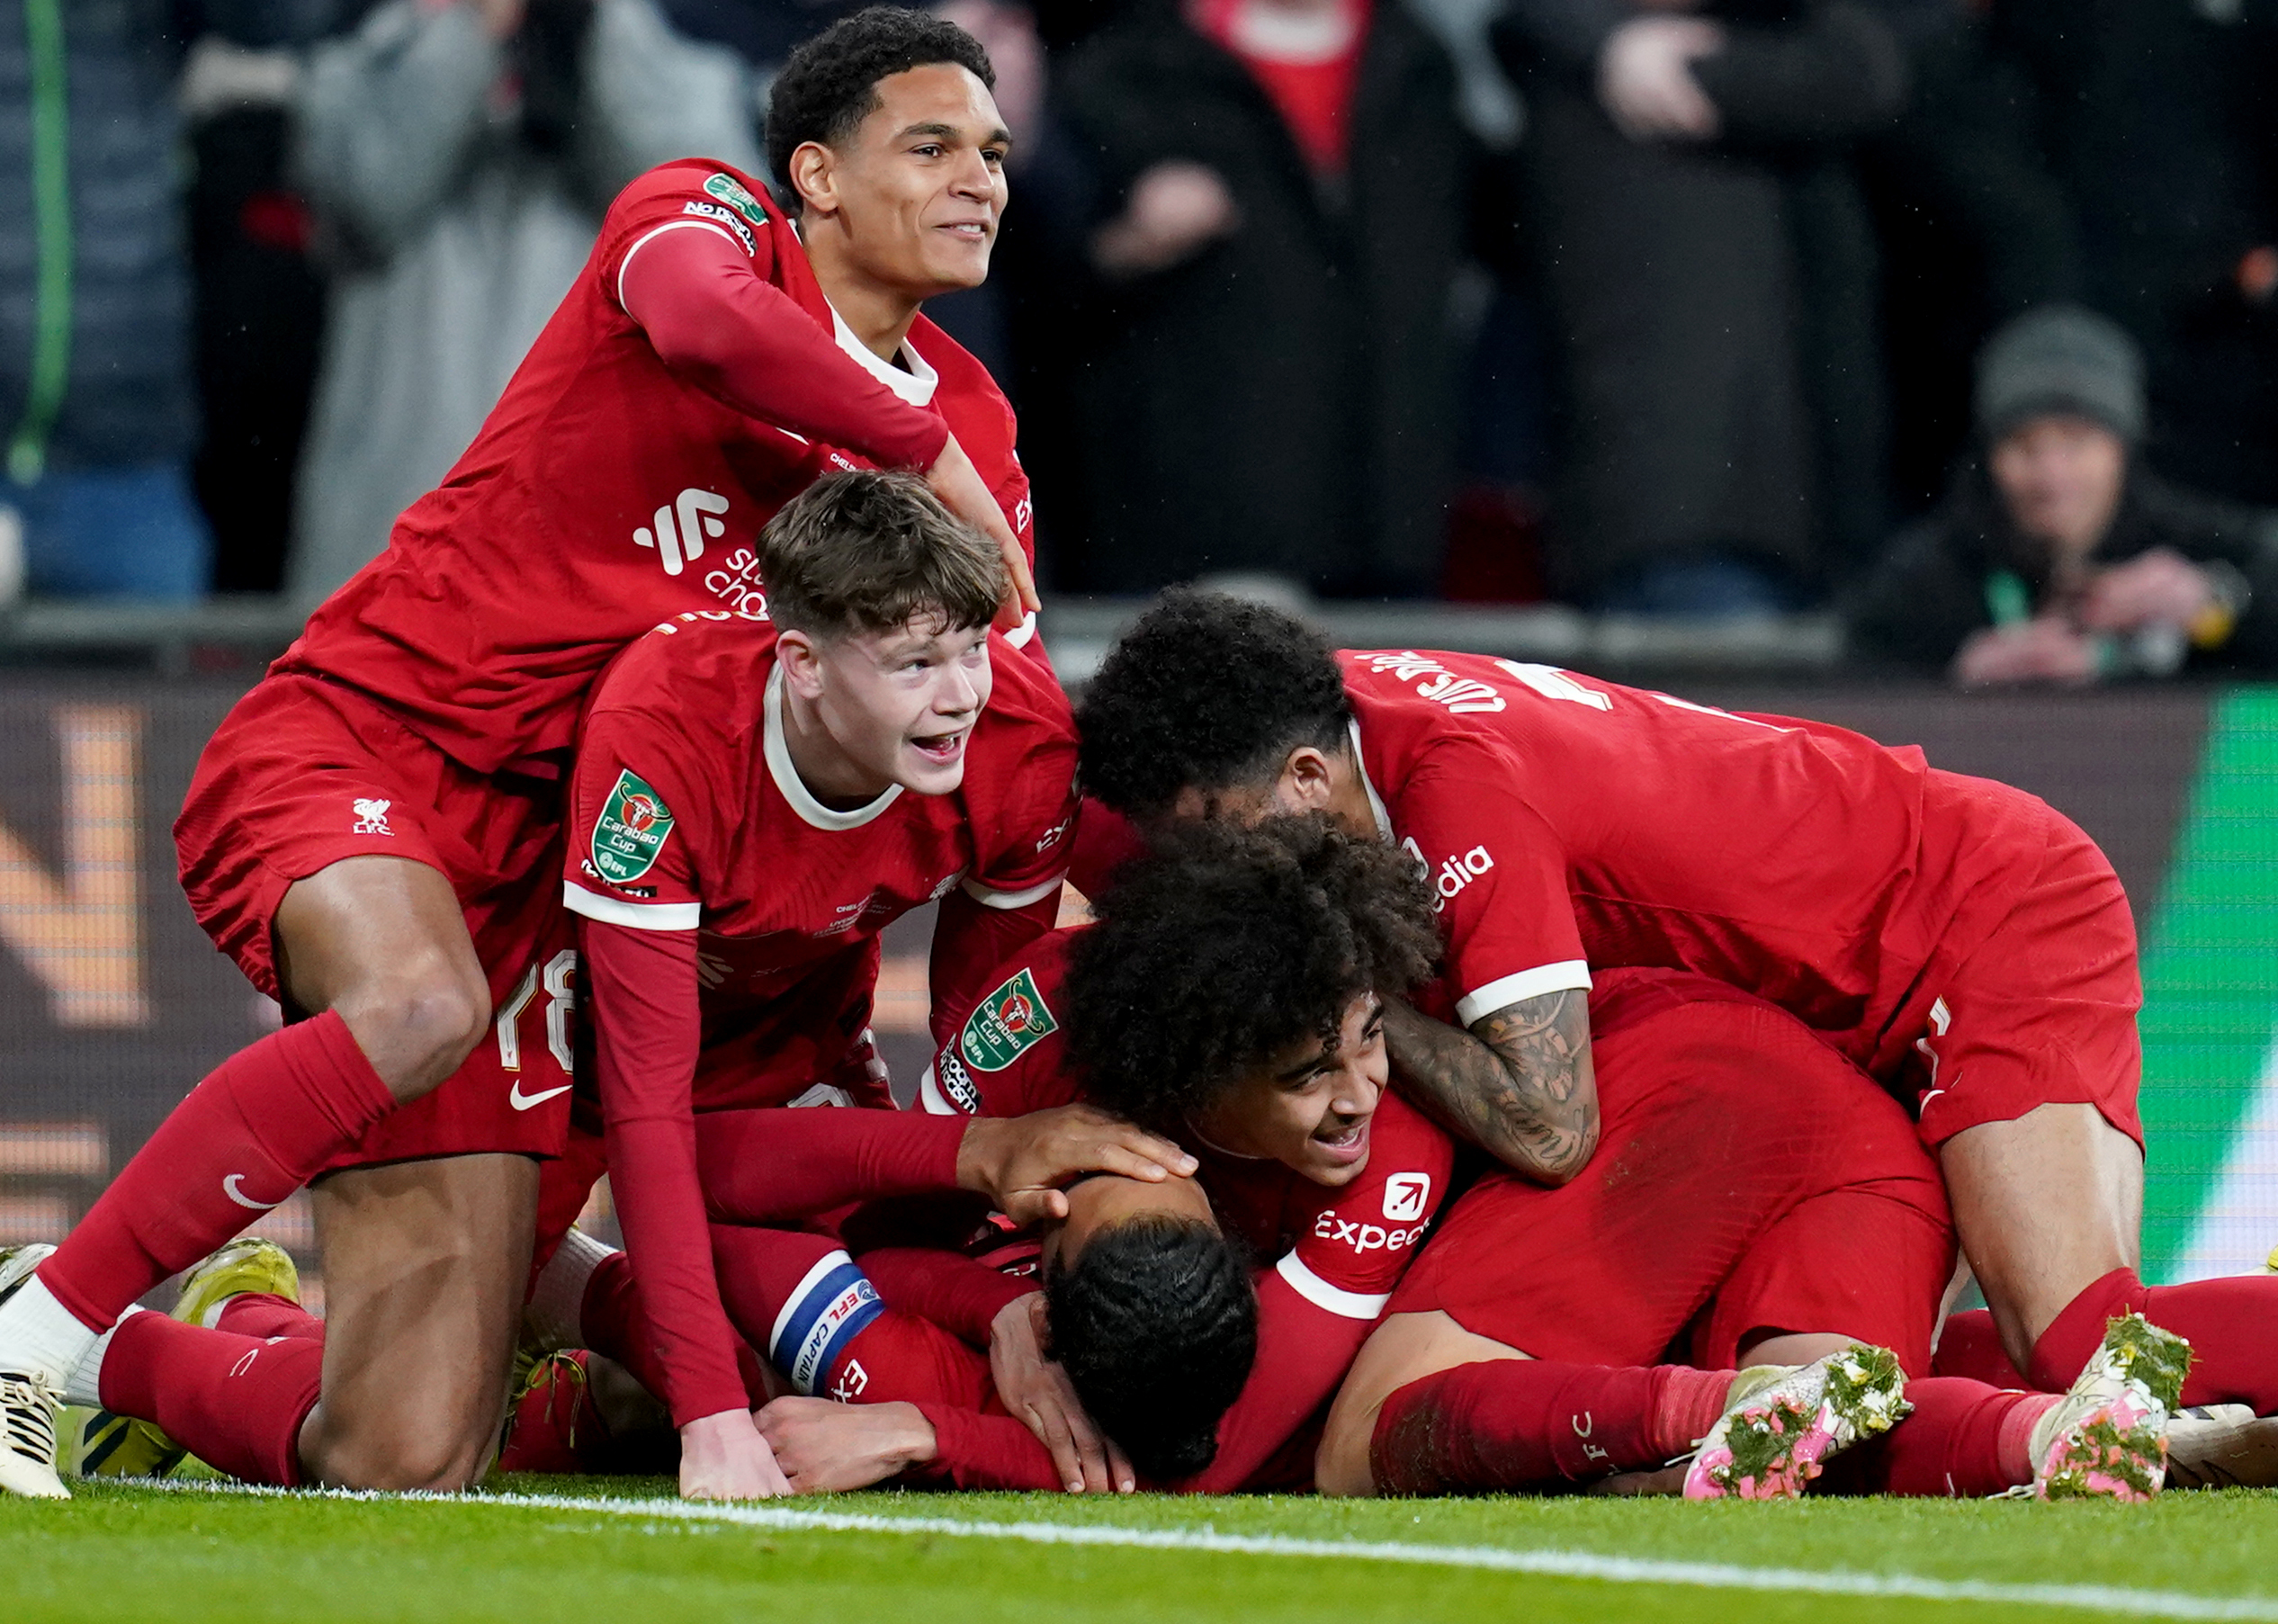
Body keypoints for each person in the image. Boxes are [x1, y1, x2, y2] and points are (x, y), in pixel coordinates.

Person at [0, 5, 1038, 1503]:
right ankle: (40, 1329)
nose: (979, 181)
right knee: (412, 998)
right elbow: (701, 326)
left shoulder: (980, 422)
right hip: (368, 742)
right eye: (930, 145)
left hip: (558, 898)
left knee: (401, 1456)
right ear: (812, 171)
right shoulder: (704, 221)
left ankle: (149, 1351)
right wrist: (911, 442)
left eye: (995, 152)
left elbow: (963, 705)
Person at [1071, 590, 2278, 1449]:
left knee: (2077, 1334)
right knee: (1841, 1393)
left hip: (1973, 913)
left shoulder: (1456, 783)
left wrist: (1340, 986)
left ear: (1300, 783)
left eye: (1213, 833)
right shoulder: (1322, 726)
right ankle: (2169, 1447)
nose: (1208, 873)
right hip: (1836, 1018)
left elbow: (1550, 1123)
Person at [547, 469, 1185, 1496]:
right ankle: (241, 1319)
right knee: (400, 1437)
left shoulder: (1015, 745)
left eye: (974, 647)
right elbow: (647, 1107)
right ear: (799, 662)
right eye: (916, 660)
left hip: (782, 1060)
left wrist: (1005, 1303)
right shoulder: (667, 731)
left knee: (813, 1372)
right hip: (558, 1050)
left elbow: (976, 1064)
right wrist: (710, 1417)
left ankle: (608, 1360)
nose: (961, 693)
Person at [289, 0, 763, 602]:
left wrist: (590, 25)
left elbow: (714, 215)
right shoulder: (366, 46)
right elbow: (366, 194)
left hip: (596, 535)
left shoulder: (671, 49)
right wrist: (472, 30)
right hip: (396, 517)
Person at [1047, 0, 1470, 597]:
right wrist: (1126, 246)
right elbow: (1031, 285)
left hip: (1392, 529)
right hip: (1202, 535)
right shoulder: (1123, 69)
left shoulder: (1416, 66)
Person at [1851, 305, 2278, 683]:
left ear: (2121, 451)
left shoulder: (2197, 540)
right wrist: (1955, 680)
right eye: (2024, 446)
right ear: (1990, 458)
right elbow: (1852, 683)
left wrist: (2213, 606)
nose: (2051, 475)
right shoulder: (1927, 578)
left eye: (2076, 444)